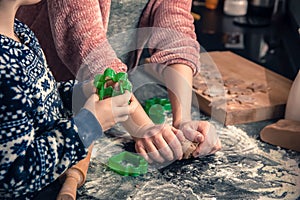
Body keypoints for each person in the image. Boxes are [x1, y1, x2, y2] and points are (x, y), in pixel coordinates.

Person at [17, 0, 222, 163]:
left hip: (113, 100)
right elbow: (87, 43)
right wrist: (142, 127)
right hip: (43, 100)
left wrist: (184, 120)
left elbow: (175, 25)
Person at [0, 0, 136, 199]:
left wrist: (81, 93)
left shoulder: (20, 33)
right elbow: (13, 176)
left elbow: (39, 99)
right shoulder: (4, 67)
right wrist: (88, 127)